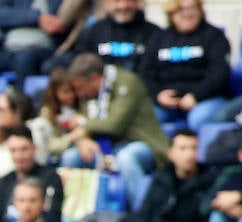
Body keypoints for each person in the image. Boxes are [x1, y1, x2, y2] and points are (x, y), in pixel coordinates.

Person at [58, 53, 167, 201]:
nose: (79, 93)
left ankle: (139, 214)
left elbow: (114, 125)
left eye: (80, 88)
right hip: (104, 146)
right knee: (70, 157)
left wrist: (82, 122)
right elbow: (86, 128)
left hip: (141, 143)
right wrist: (83, 140)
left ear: (95, 79)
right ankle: (75, 212)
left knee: (126, 158)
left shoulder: (127, 83)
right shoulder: (88, 95)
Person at [102, 128, 207, 222]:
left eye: (194, 148)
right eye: (183, 149)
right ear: (171, 154)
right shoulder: (160, 179)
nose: (189, 154)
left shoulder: (209, 181)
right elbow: (142, 215)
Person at [139, 0, 231, 131]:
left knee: (199, 118)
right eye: (180, 10)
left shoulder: (214, 36)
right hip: (166, 101)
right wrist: (157, 95)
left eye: (192, 9)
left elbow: (219, 74)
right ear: (171, 14)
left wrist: (196, 95)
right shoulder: (159, 38)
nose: (187, 14)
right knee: (145, 117)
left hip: (206, 98)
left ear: (200, 11)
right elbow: (145, 74)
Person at [0, 126, 64, 222]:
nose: (19, 156)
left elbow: (53, 217)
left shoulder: (50, 178)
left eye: (24, 149)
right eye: (13, 150)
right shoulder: (1, 183)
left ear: (34, 149)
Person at [54, 0, 155, 73]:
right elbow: (82, 63)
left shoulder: (153, 33)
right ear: (106, 3)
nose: (123, 6)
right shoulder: (94, 32)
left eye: (128, 0)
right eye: (117, 1)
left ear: (137, 2)